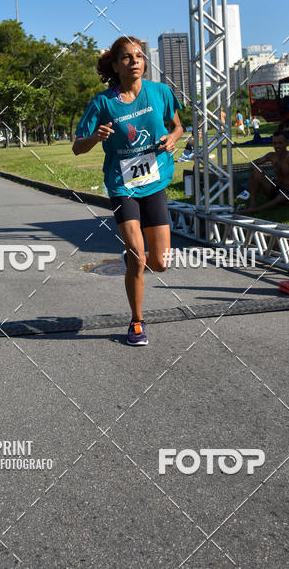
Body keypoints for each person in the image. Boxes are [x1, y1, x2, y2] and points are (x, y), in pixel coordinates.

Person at [72, 36, 183, 346]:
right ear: (115, 65)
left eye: (138, 56)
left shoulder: (160, 92)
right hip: (123, 186)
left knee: (159, 262)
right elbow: (77, 148)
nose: (134, 61)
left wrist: (173, 139)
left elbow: (177, 125)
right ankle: (137, 321)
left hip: (155, 182)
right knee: (137, 257)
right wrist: (95, 137)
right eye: (126, 57)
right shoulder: (102, 103)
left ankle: (136, 257)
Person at [244, 132, 289, 214]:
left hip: (288, 193)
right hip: (275, 188)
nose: (277, 146)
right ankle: (252, 204)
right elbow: (252, 163)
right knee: (255, 169)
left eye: (280, 143)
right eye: (275, 143)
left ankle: (254, 210)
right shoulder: (271, 156)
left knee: (283, 196)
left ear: (287, 143)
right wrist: (255, 174)